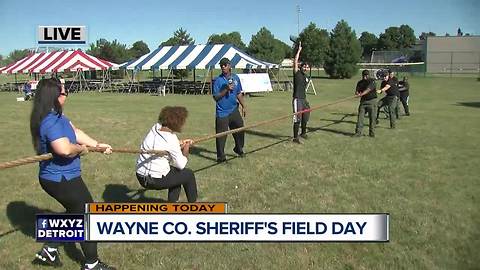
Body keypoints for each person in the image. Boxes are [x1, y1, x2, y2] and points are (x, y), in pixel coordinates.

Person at [30, 78, 115, 270]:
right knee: (87, 215)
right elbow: (64, 149)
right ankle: (92, 264)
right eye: (64, 92)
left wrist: (97, 145)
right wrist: (81, 149)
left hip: (61, 176)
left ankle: (49, 249)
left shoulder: (57, 116)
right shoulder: (50, 121)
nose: (66, 95)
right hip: (61, 179)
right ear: (54, 96)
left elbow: (75, 132)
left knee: (75, 212)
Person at [135, 106, 197, 202]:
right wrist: (186, 147)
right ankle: (196, 208)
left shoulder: (155, 128)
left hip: (140, 174)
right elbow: (181, 165)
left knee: (177, 177)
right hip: (154, 180)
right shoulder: (171, 139)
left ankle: (171, 207)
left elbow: (162, 143)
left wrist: (179, 143)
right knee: (188, 174)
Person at [212, 57, 247, 163]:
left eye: (225, 65)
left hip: (233, 110)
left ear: (229, 65)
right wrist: (226, 89)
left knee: (240, 128)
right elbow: (216, 97)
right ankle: (221, 157)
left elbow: (238, 93)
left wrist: (244, 106)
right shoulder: (218, 81)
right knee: (221, 136)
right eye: (221, 65)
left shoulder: (235, 78)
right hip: (222, 112)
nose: (223, 67)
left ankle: (238, 148)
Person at [292, 41, 311, 144]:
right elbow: (295, 61)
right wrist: (299, 50)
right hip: (297, 99)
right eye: (304, 66)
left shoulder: (306, 76)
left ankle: (303, 133)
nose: (305, 68)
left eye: (306, 67)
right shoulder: (297, 73)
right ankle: (295, 137)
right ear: (300, 67)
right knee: (297, 118)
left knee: (306, 116)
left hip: (304, 99)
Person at [354, 70, 377, 137]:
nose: (365, 77)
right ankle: (358, 132)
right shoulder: (360, 83)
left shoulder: (372, 81)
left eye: (366, 75)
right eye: (364, 75)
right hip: (363, 102)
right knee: (360, 118)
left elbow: (368, 90)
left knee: (372, 118)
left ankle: (371, 133)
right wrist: (357, 93)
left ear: (368, 75)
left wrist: (361, 94)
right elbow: (357, 91)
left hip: (372, 101)